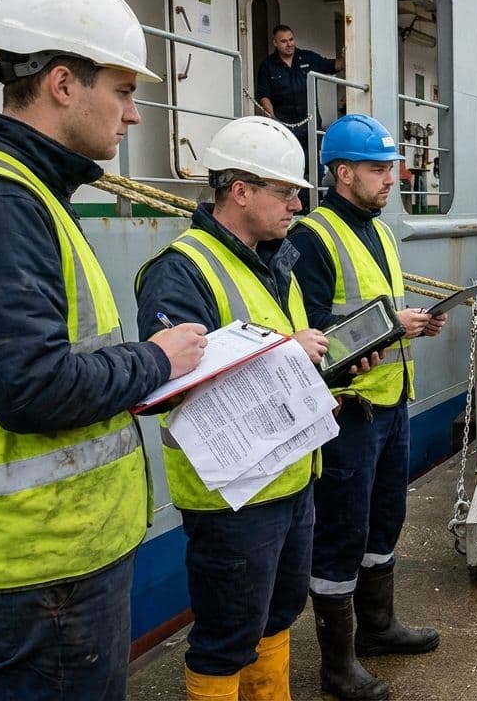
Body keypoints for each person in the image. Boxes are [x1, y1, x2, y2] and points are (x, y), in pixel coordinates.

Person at [0, 0, 208, 701]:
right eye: (124, 90)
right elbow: (29, 388)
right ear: (64, 83)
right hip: (37, 566)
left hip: (50, 558)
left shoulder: (25, 193)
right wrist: (155, 360)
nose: (134, 115)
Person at [135, 116, 330, 701]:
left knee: (276, 614)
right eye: (285, 190)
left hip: (290, 478)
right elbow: (175, 382)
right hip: (232, 497)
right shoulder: (182, 270)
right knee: (227, 634)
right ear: (240, 191)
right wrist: (285, 354)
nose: (298, 202)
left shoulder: (275, 261)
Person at [288, 114, 445, 700]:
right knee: (341, 532)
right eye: (379, 170)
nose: (391, 179)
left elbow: (377, 319)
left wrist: (412, 328)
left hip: (391, 405)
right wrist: (389, 327)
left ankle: (377, 627)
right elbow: (306, 336)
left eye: (391, 168)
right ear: (343, 172)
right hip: (346, 414)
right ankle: (337, 664)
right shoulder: (313, 237)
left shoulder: (379, 231)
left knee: (385, 522)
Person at [255, 24, 344, 152]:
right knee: (288, 162)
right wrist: (274, 120)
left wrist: (346, 57)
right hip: (283, 124)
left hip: (310, 123)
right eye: (283, 41)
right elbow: (264, 95)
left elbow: (332, 65)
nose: (289, 44)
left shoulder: (307, 57)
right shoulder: (267, 65)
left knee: (315, 164)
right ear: (275, 43)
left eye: (291, 39)